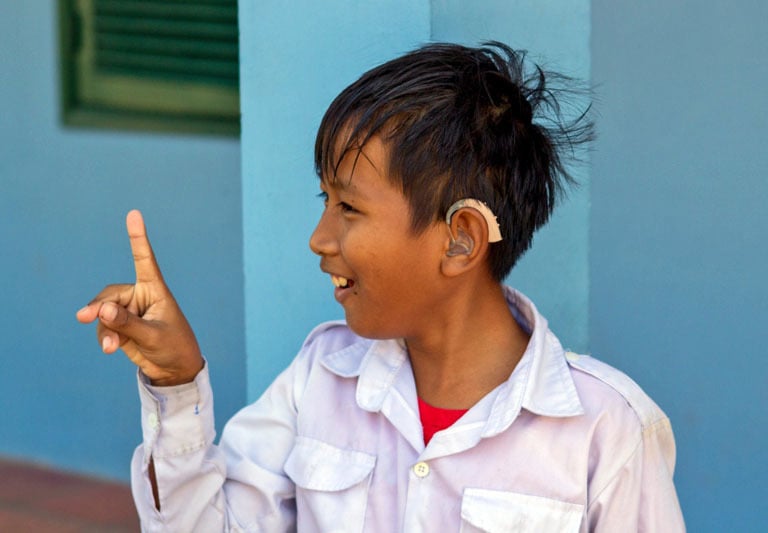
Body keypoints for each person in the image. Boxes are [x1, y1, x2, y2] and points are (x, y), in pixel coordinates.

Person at [77, 42, 685, 532]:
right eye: (326, 199)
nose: (319, 237)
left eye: (348, 207)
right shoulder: (320, 378)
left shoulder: (606, 432)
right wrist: (176, 385)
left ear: (461, 240)